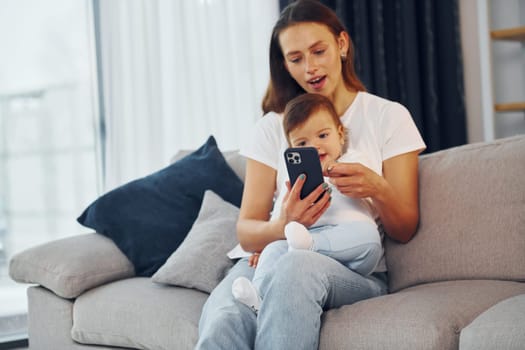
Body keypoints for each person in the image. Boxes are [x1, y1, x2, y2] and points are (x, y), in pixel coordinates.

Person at [196, 0, 426, 349]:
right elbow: (247, 231)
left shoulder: (388, 117)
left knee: (294, 270)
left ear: (342, 45)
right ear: (284, 65)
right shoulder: (272, 128)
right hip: (275, 254)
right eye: (296, 58)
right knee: (224, 317)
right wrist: (281, 228)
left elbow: (405, 228)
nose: (310, 68)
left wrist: (377, 187)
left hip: (352, 269)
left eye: (318, 51)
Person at [231, 93, 383, 313]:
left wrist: (334, 173)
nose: (315, 147)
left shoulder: (356, 162)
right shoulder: (294, 182)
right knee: (274, 249)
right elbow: (280, 220)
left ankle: (311, 244)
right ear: (291, 148)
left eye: (322, 135)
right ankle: (258, 296)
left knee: (369, 238)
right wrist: (265, 248)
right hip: (300, 248)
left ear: (340, 135)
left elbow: (373, 191)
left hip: (349, 248)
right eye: (302, 143)